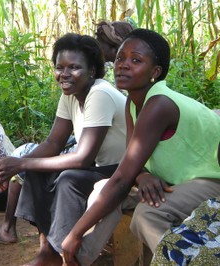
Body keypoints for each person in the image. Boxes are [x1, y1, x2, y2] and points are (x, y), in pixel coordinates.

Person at [60, 29, 220, 266]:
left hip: (210, 181)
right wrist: (143, 175)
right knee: (101, 189)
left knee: (147, 215)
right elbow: (131, 163)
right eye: (120, 58)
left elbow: (122, 178)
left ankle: (185, 261)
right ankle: (76, 261)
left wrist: (73, 233)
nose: (123, 65)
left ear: (155, 72)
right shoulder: (133, 104)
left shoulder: (159, 104)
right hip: (175, 183)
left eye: (136, 60)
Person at [0, 22, 133, 245]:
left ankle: (59, 249)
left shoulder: (100, 93)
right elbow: (53, 142)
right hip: (101, 167)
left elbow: (83, 158)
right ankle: (47, 249)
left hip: (124, 170)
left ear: (92, 71)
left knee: (66, 178)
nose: (64, 74)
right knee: (35, 171)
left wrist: (20, 165)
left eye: (74, 67)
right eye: (60, 67)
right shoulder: (70, 94)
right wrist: (11, 167)